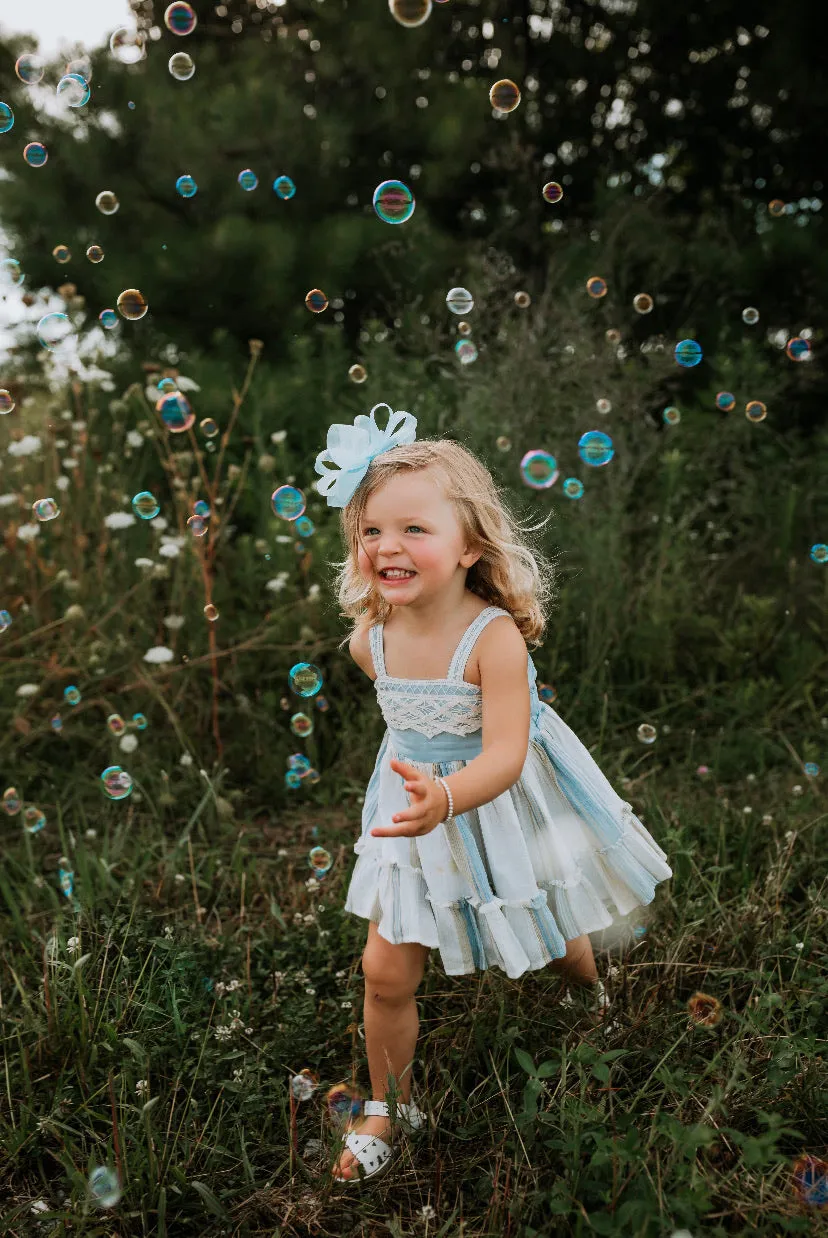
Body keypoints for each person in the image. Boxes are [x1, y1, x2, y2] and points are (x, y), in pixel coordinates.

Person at [313, 403, 673, 1184]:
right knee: (384, 970)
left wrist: (449, 797)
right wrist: (423, 797)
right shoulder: (369, 639)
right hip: (410, 816)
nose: (388, 546)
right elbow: (404, 733)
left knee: (547, 925)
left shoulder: (494, 638)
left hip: (496, 805)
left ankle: (587, 992)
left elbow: (506, 754)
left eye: (414, 528)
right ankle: (390, 1105)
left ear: (471, 544)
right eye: (372, 530)